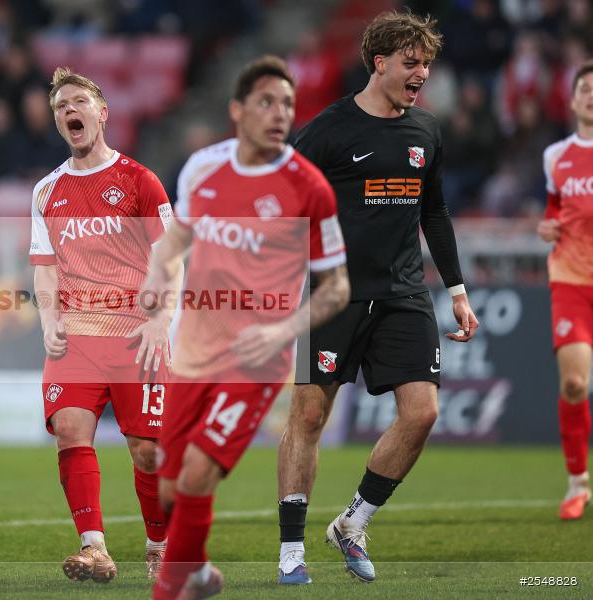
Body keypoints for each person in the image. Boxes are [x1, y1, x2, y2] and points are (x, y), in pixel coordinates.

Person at [275, 11, 480, 585]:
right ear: (380, 62)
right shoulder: (327, 130)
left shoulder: (427, 131)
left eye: (427, 64)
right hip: (331, 295)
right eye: (411, 63)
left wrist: (458, 290)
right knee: (309, 416)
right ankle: (291, 550)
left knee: (423, 413)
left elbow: (433, 211)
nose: (422, 74)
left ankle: (353, 522)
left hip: (403, 293)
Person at [144, 55, 351, 599]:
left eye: (287, 102)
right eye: (266, 102)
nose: (280, 112)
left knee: (195, 476)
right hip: (192, 351)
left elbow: (337, 288)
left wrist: (283, 333)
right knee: (169, 490)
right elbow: (177, 238)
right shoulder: (202, 170)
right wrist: (154, 275)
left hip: (256, 357)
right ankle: (199, 572)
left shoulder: (309, 188)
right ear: (237, 111)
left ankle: (169, 589)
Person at [29, 67, 178, 583]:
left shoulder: (139, 180)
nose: (69, 110)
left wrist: (161, 322)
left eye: (78, 101)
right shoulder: (47, 191)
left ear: (101, 112)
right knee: (70, 432)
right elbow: (44, 267)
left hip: (137, 334)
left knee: (149, 451)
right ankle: (95, 548)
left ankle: (160, 545)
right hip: (77, 338)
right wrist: (48, 319)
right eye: (59, 106)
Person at [537, 59, 593, 521]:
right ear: (573, 99)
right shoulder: (556, 156)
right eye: (585, 88)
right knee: (575, 384)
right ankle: (578, 484)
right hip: (572, 279)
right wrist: (548, 226)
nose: (591, 94)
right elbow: (555, 207)